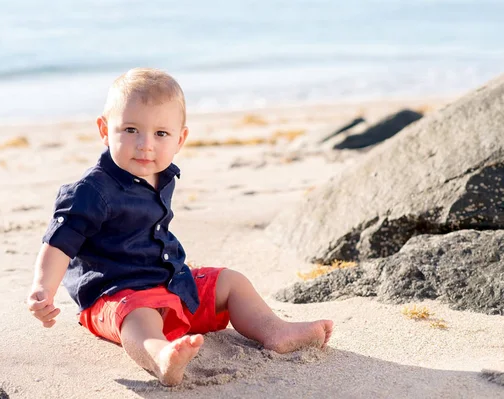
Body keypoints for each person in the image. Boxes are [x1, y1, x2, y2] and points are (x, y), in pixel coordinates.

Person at [27, 68, 333, 386]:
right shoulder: (91, 190)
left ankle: (275, 330)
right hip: (114, 295)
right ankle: (161, 356)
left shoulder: (162, 174)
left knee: (231, 282)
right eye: (131, 130)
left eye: (161, 134)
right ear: (105, 130)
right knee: (139, 316)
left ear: (180, 139)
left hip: (171, 282)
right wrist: (42, 289)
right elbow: (59, 242)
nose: (145, 145)